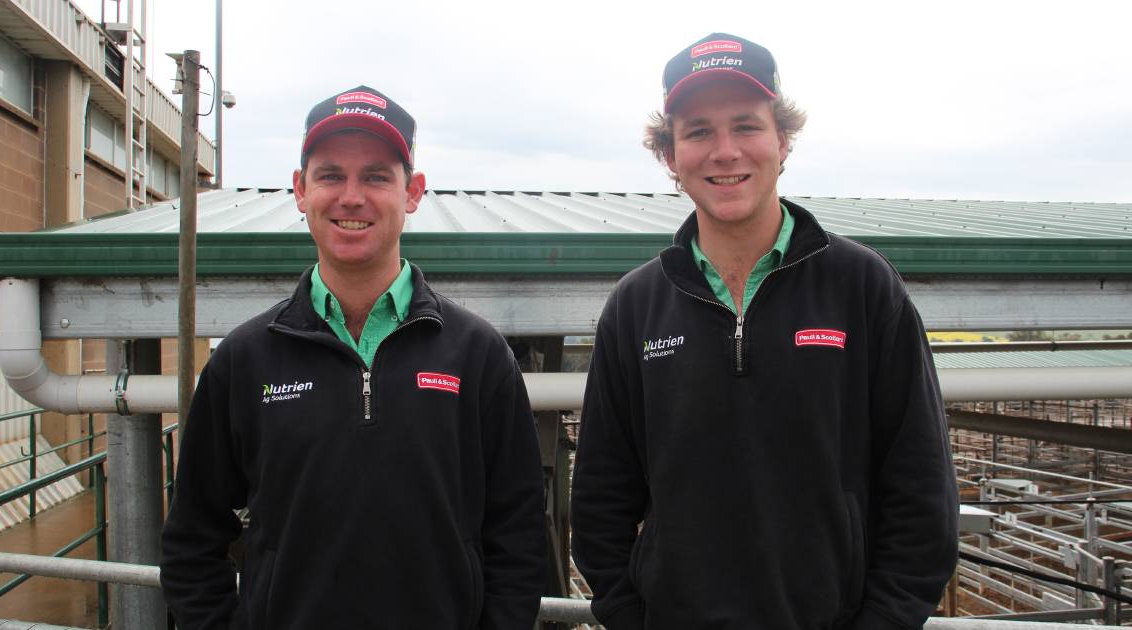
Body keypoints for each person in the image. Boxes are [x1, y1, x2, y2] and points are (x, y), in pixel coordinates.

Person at [570, 33, 958, 629]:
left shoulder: (862, 287)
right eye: (698, 130)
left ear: (782, 139)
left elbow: (921, 487)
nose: (725, 151)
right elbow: (600, 500)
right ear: (670, 156)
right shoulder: (636, 307)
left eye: (745, 125)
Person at [160, 85, 546, 629]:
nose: (351, 196)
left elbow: (519, 534)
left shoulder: (478, 355)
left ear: (412, 192)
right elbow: (191, 540)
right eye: (331, 175)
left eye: (376, 176)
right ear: (300, 190)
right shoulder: (243, 361)